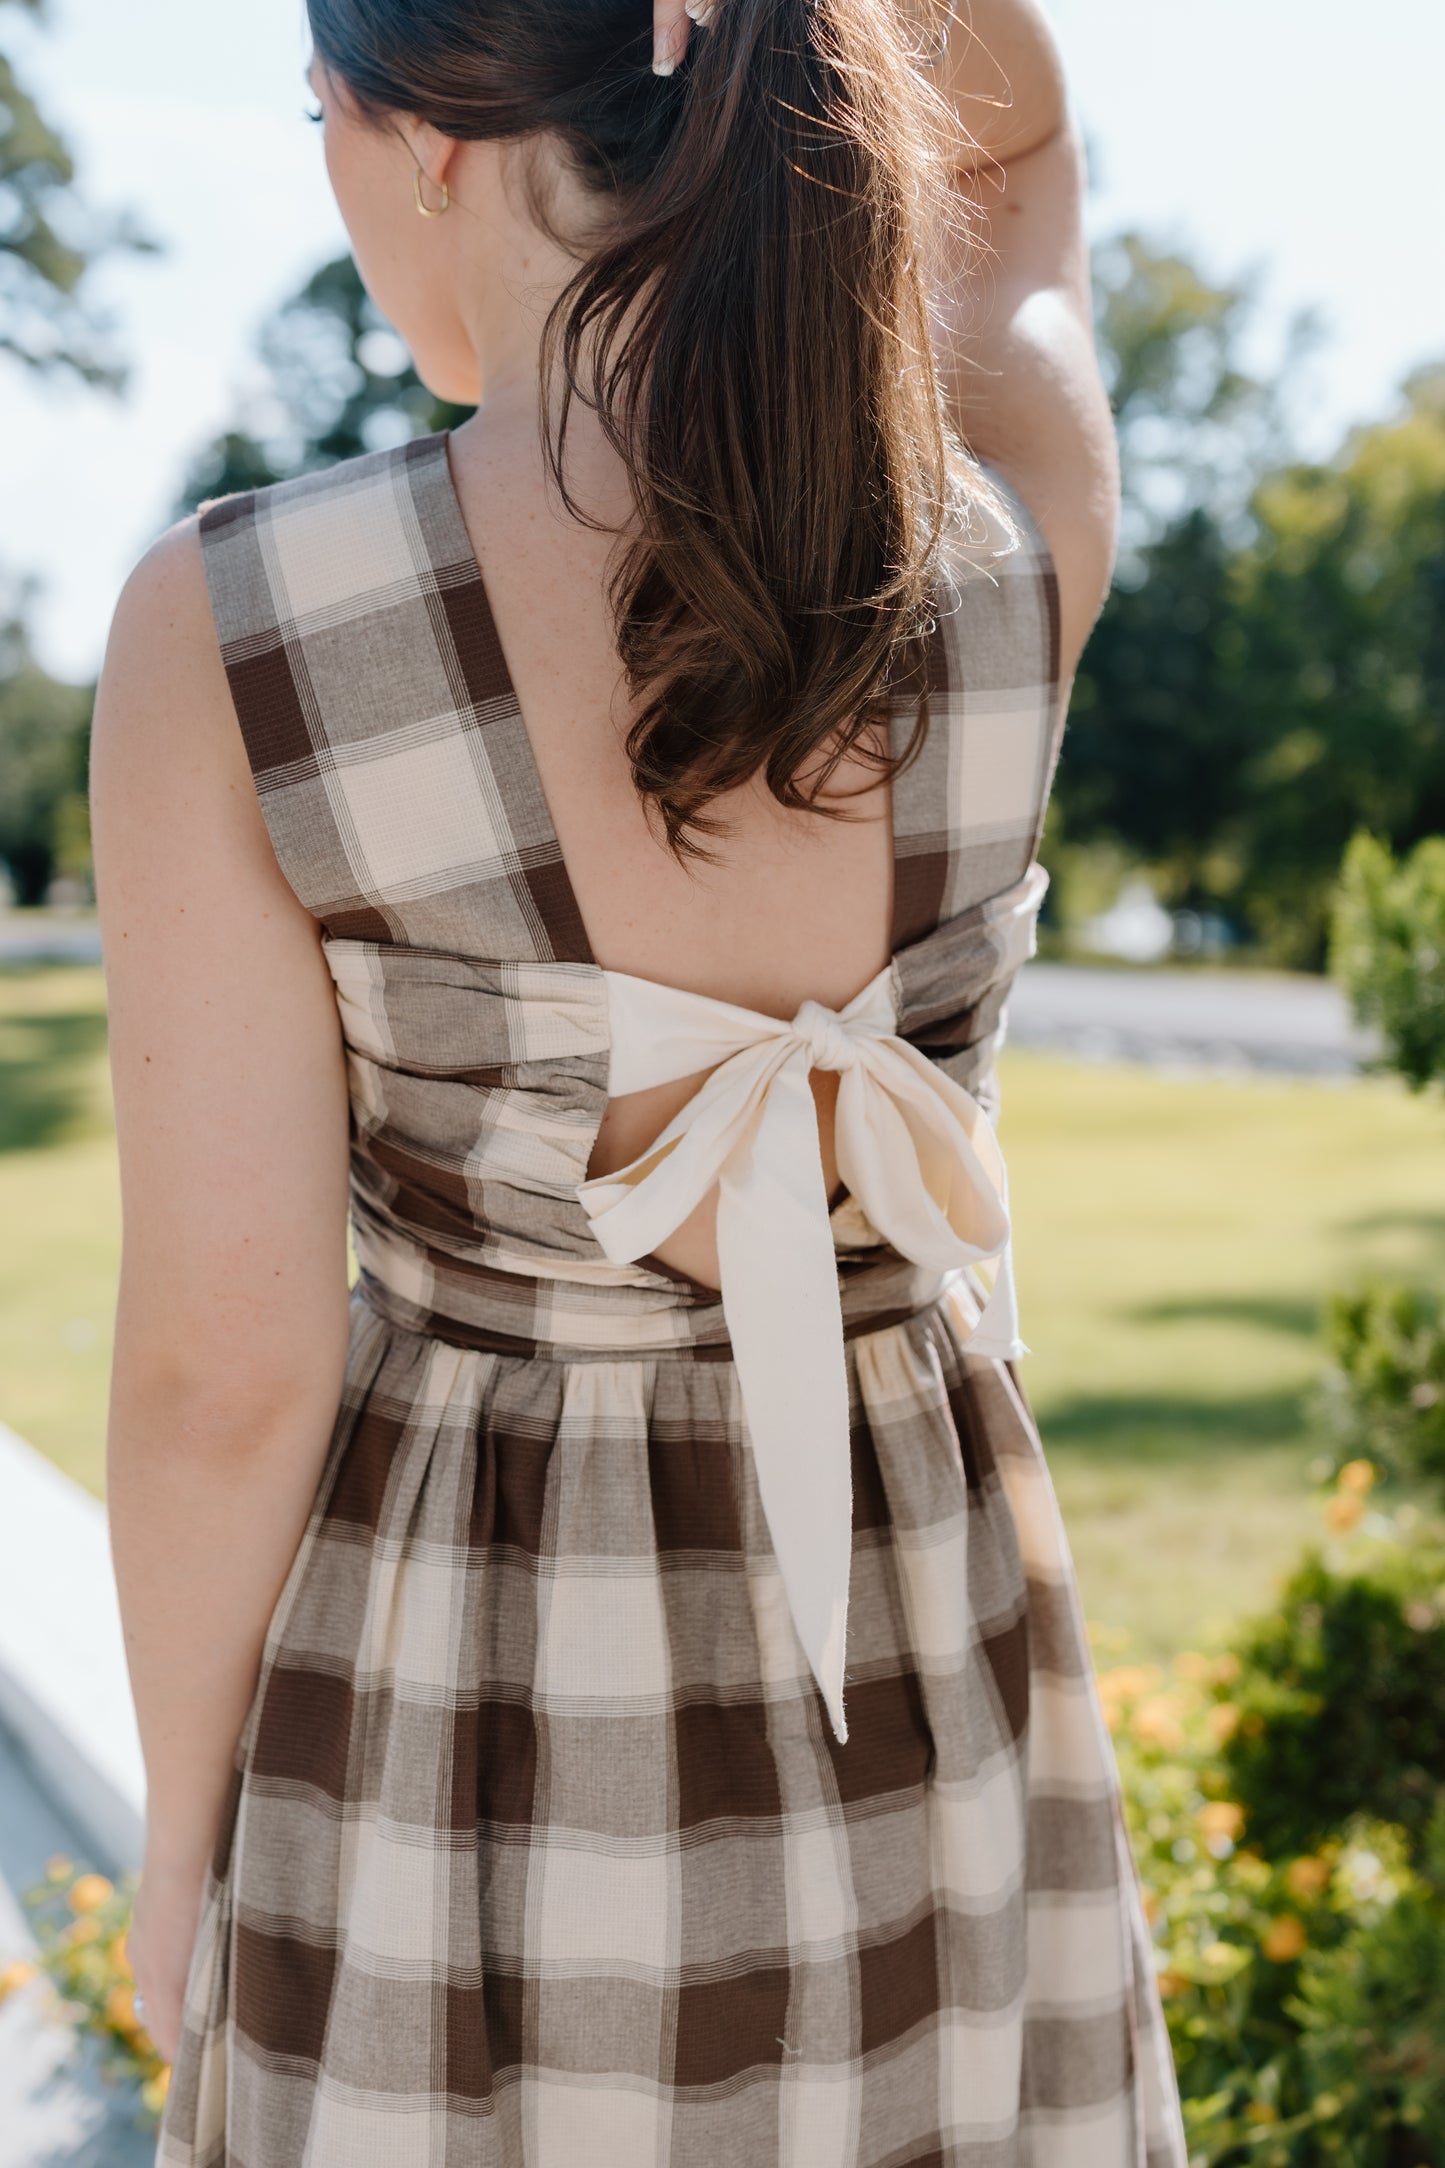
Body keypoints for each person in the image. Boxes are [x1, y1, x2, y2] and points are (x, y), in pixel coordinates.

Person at [89, 0, 1189, 2156]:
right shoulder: (1003, 549)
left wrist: (189, 1839)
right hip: (933, 1662)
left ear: (417, 136)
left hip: (470, 1713)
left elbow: (224, 1377)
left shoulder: (238, 629)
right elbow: (1019, 170)